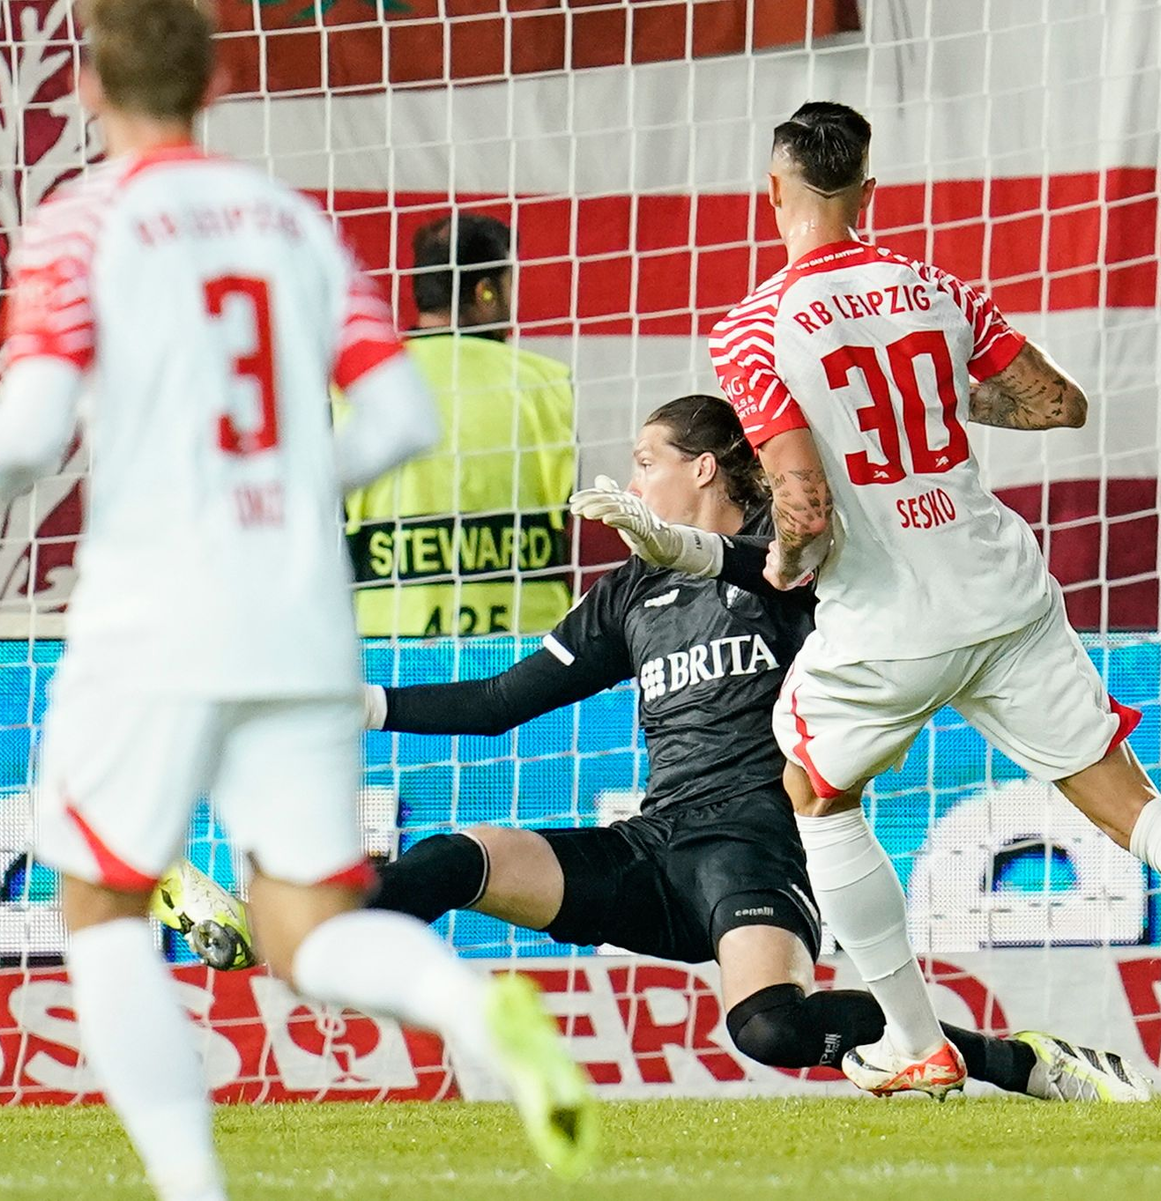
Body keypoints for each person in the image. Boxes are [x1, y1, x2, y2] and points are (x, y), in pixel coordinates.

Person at [0, 3, 593, 1198]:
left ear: (88, 87)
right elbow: (398, 418)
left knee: (101, 907)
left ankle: (193, 1188)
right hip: (299, 613)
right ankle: (468, 1004)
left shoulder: (81, 221)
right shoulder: (287, 221)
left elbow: (30, 433)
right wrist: (289, 491)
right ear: (215, 81)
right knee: (309, 929)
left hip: (157, 608)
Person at [160, 396, 1152, 1103]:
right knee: (462, 856)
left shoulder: (797, 559)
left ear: (704, 467)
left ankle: (1014, 1061)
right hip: (655, 844)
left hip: (757, 846)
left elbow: (784, 571)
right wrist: (365, 704)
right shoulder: (630, 592)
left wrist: (708, 550)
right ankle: (273, 927)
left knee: (771, 1029)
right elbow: (502, 702)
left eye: (646, 460)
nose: (630, 480)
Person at [692, 99, 1161, 1098]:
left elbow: (803, 503)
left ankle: (917, 1039)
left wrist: (782, 565)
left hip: (892, 620)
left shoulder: (751, 328)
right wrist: (939, 398)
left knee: (816, 791)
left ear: (772, 188)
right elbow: (1059, 403)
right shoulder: (939, 287)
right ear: (868, 190)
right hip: (1005, 591)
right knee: (1129, 806)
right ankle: (918, 1043)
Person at [346, 213, 575, 637]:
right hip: (523, 643)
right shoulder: (546, 382)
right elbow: (571, 515)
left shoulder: (368, 383)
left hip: (390, 640)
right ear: (486, 291)